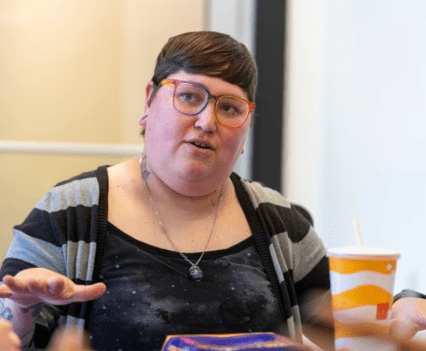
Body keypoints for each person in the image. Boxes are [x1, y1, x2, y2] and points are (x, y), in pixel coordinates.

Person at [0, 31, 330, 350]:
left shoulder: (280, 223)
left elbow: (346, 324)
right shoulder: (68, 213)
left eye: (230, 108)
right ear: (149, 100)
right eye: (189, 96)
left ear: (246, 130)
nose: (207, 122)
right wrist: (23, 306)